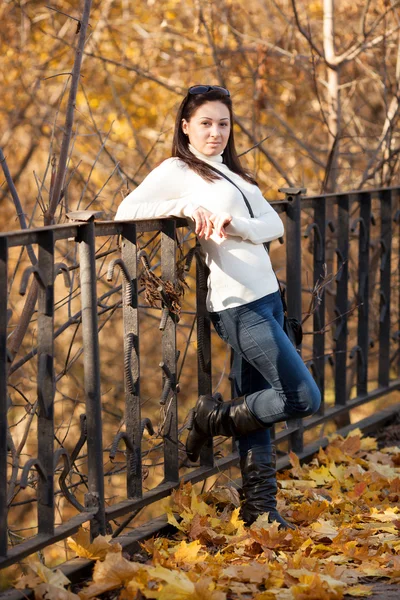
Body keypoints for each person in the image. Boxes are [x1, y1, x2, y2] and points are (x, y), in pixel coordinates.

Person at [115, 85, 321, 529]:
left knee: (258, 406)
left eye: (223, 123)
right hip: (237, 306)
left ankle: (261, 511)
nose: (216, 132)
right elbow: (126, 210)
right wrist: (188, 206)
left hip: (268, 298)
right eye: (206, 123)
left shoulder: (233, 172)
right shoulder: (177, 169)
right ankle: (211, 417)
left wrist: (236, 224)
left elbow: (271, 223)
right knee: (302, 397)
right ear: (185, 127)